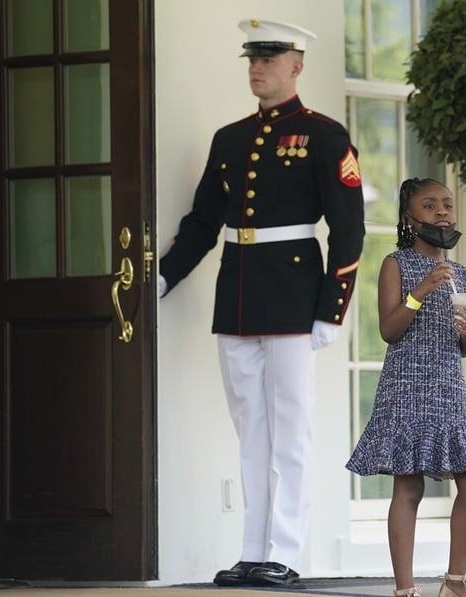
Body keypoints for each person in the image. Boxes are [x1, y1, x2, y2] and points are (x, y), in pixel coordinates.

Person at [157, 18, 365, 587]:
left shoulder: (324, 136)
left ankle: (287, 552)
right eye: (252, 58)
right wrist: (162, 278)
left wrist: (331, 308)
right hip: (240, 295)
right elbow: (203, 222)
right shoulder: (229, 139)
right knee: (251, 429)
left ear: (296, 66)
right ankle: (254, 549)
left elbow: (348, 230)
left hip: (296, 297)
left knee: (291, 430)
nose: (257, 67)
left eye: (269, 59)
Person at [346, 178, 466, 597]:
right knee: (410, 484)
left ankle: (454, 581)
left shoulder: (461, 272)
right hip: (406, 385)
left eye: (447, 205)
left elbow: (465, 347)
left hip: (448, 385)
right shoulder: (396, 264)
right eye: (429, 205)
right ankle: (405, 589)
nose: (442, 212)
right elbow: (388, 330)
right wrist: (421, 290)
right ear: (410, 217)